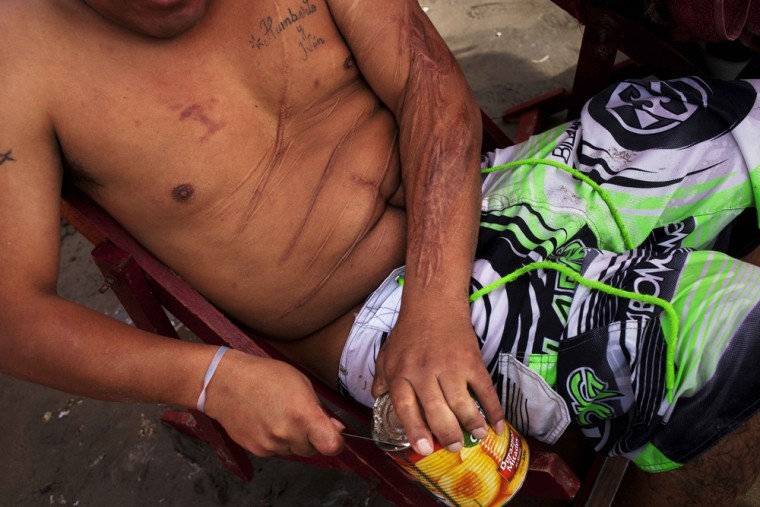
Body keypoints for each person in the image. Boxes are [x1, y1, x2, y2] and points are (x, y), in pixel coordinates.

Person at [0, 1, 757, 505]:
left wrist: (439, 300)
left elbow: (429, 84)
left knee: (726, 130)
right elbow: (15, 315)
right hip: (377, 319)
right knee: (705, 339)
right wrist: (212, 378)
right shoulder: (19, 58)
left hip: (480, 192)